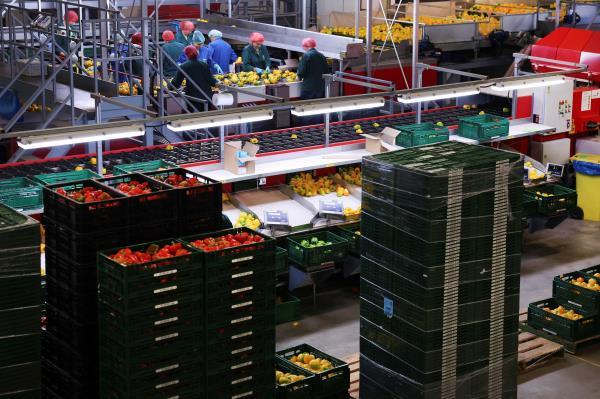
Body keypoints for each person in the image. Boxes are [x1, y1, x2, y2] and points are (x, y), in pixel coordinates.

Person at [172, 45, 217, 112]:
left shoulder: (184, 66)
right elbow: (212, 81)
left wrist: (169, 87)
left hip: (193, 97)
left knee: (194, 116)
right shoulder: (204, 65)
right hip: (206, 96)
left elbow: (176, 82)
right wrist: (217, 82)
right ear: (197, 54)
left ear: (186, 55)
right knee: (205, 116)